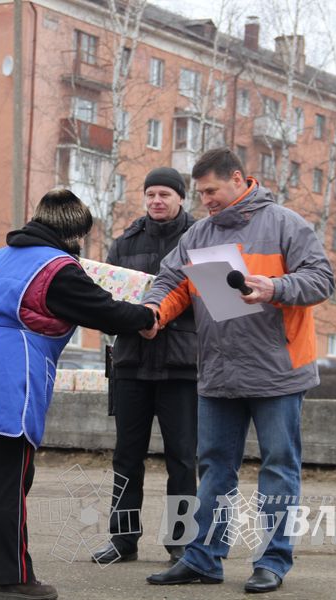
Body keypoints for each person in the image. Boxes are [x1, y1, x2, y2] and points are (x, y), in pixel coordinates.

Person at [0, 189, 158, 600]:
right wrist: (148, 316)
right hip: (9, 371)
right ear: (75, 232)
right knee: (12, 481)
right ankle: (15, 579)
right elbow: (105, 310)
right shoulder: (57, 267)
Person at [143, 148, 334, 593]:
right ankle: (204, 558)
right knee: (212, 467)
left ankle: (272, 561)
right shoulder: (199, 234)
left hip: (278, 372)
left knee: (279, 467)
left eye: (211, 190)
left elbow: (321, 279)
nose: (205, 200)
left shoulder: (286, 223)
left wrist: (275, 287)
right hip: (218, 372)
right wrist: (154, 311)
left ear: (237, 178)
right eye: (201, 193)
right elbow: (172, 282)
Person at [91, 167, 198, 567]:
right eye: (150, 193)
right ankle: (123, 540)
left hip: (182, 365)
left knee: (183, 459)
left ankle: (181, 544)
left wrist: (164, 317)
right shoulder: (125, 243)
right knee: (126, 456)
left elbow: (212, 302)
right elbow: (103, 299)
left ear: (181, 198)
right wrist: (133, 321)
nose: (157, 200)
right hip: (132, 363)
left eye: (165, 194)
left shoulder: (200, 239)